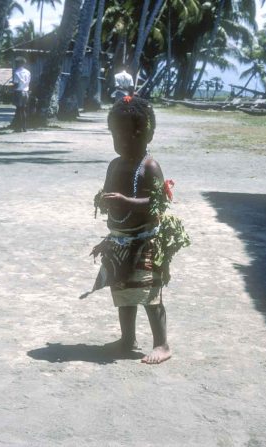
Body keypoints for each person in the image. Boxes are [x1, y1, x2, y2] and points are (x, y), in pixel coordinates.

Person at [83, 96, 172, 365]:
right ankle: (127, 339)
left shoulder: (149, 166)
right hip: (120, 241)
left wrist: (126, 202)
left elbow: (159, 204)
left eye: (129, 136)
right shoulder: (114, 165)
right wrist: (103, 201)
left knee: (148, 293)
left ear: (145, 135)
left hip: (145, 241)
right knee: (122, 291)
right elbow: (108, 193)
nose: (122, 142)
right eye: (116, 136)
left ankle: (162, 344)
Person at [11, 57, 30, 132]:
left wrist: (12, 88)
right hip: (26, 92)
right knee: (23, 110)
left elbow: (16, 85)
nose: (15, 64)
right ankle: (24, 128)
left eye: (16, 63)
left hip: (19, 92)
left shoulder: (16, 72)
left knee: (18, 110)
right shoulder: (28, 72)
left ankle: (19, 128)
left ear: (19, 63)